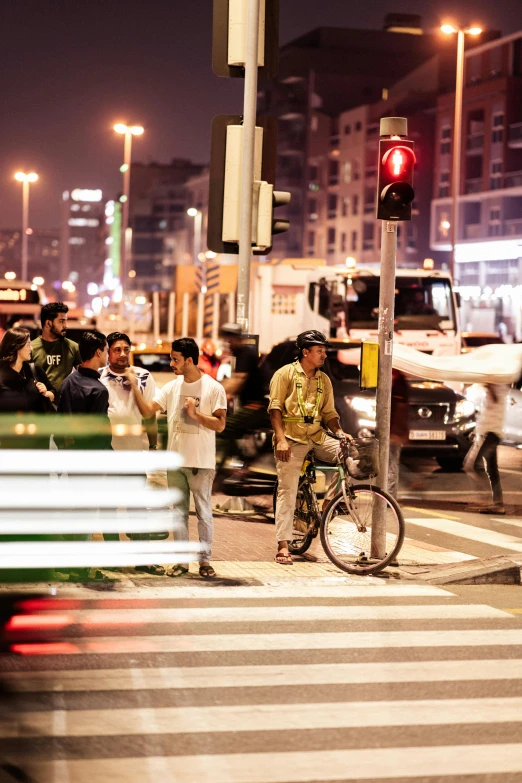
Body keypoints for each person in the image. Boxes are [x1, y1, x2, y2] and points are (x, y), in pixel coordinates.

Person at [126, 337, 227, 578]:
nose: (171, 363)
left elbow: (220, 424)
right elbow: (148, 410)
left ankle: (205, 561)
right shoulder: (172, 387)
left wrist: (196, 414)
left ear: (189, 360)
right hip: (175, 463)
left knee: (203, 512)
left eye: (175, 359)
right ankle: (182, 562)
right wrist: (134, 387)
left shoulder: (213, 388)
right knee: (179, 513)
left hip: (201, 463)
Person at [268, 330, 348, 565]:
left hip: (318, 436)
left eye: (324, 350)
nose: (324, 355)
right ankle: (283, 545)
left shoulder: (324, 380)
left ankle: (326, 507)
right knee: (287, 490)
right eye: (320, 350)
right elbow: (275, 410)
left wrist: (341, 433)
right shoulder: (284, 375)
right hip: (291, 439)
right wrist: (281, 439)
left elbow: (330, 414)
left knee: (349, 454)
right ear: (306, 352)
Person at [99, 331, 164, 577]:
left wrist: (154, 446)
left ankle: (143, 558)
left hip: (135, 452)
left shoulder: (144, 377)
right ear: (107, 352)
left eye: (126, 349)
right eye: (117, 349)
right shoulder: (99, 376)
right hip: (107, 453)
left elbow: (149, 415)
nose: (123, 354)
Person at [0, 327, 56, 448]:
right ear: (16, 347)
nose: (31, 349)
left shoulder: (34, 370)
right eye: (28, 345)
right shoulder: (1, 374)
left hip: (38, 441)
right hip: (10, 443)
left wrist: (46, 393)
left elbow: (53, 394)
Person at [218, 323, 268, 455]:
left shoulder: (246, 354)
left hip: (255, 407)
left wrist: (210, 391)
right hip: (252, 406)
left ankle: (236, 460)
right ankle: (242, 459)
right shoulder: (242, 354)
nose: (227, 342)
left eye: (229, 339)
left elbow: (236, 382)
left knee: (223, 427)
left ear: (236, 338)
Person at [464, 383, 508, 515]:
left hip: (491, 434)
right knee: (492, 469)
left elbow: (496, 401)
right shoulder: (490, 389)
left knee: (472, 465)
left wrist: (490, 387)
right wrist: (476, 431)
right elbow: (486, 413)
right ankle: (498, 504)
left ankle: (485, 500)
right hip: (485, 433)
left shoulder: (499, 387)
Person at [31, 302, 81, 395]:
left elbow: (84, 377)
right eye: (61, 321)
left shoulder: (73, 347)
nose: (66, 325)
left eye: (66, 321)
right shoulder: (30, 348)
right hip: (39, 405)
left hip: (65, 406)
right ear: (48, 323)